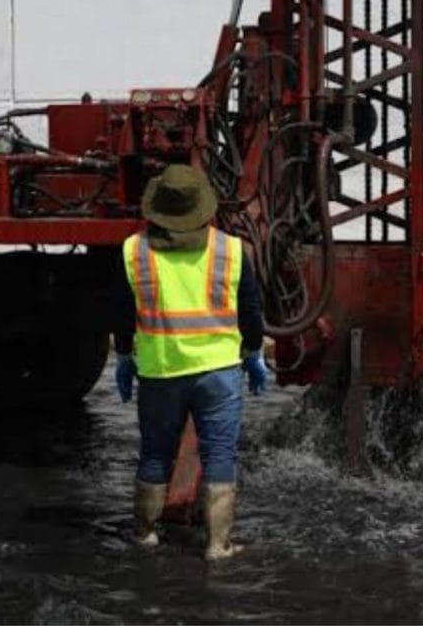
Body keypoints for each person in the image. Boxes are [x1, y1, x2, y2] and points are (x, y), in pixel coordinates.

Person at [112, 164, 268, 561]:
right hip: (219, 374)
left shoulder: (134, 251)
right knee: (220, 456)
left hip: (161, 372)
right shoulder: (231, 250)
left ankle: (144, 534)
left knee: (154, 455)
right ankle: (219, 545)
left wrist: (125, 357)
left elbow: (119, 313)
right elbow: (250, 311)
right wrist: (253, 354)